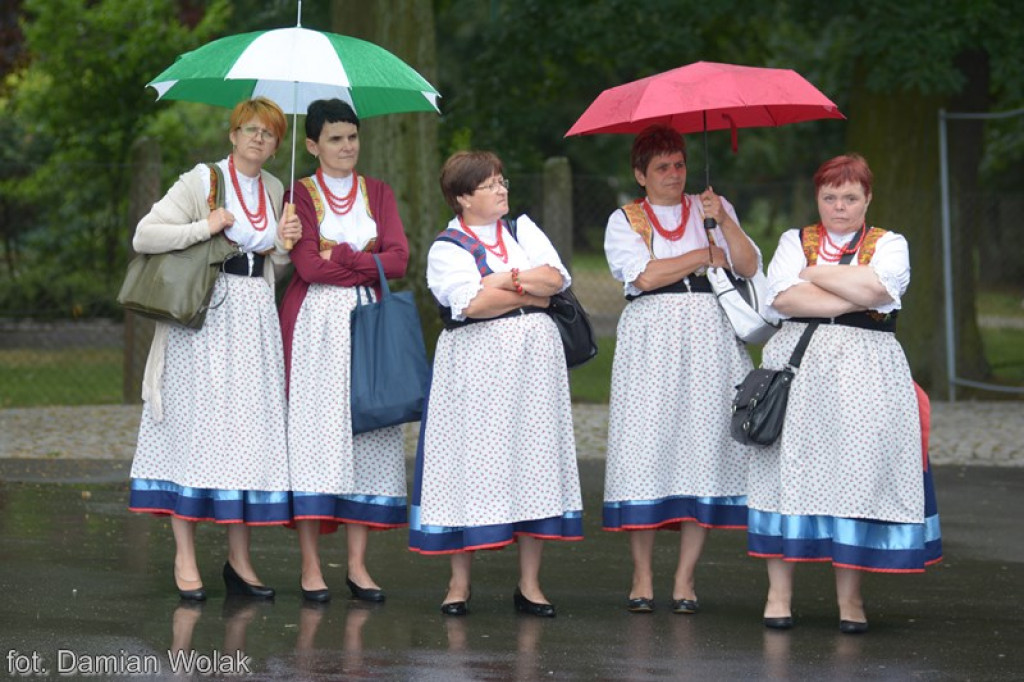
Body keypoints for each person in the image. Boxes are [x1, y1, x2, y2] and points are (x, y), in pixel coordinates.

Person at [747, 154, 943, 633]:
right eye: (829, 197)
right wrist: (852, 292)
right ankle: (779, 594)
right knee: (787, 467)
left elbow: (880, 290)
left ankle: (850, 600)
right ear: (818, 197)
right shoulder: (794, 239)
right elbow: (782, 297)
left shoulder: (890, 242)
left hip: (868, 372)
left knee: (856, 469)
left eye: (849, 197)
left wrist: (813, 275)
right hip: (799, 367)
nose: (839, 207)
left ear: (867, 198)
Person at [129, 96, 302, 601]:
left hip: (254, 319)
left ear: (276, 147)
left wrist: (285, 243)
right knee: (194, 428)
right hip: (204, 319)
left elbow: (275, 265)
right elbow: (145, 235)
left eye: (267, 134)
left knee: (244, 433)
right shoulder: (201, 180)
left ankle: (239, 560)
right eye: (248, 129)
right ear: (232, 135)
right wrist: (205, 226)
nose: (257, 139)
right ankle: (184, 556)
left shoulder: (274, 188)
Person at [408, 150, 582, 618]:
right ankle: (458, 584)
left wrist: (502, 281)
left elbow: (556, 279)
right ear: (463, 197)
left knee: (532, 458)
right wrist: (527, 291)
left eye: (502, 180)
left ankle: (530, 584)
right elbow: (471, 304)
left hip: (532, 369)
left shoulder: (523, 229)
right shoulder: (446, 247)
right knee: (468, 461)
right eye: (489, 184)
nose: (502, 188)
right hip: (475, 372)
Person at [602, 124, 759, 615]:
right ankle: (643, 575)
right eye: (662, 167)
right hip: (652, 337)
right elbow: (646, 275)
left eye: (679, 164)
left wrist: (723, 226)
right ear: (640, 174)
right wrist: (704, 255)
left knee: (703, 445)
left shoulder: (713, 208)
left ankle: (686, 578)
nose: (674, 174)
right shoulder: (625, 219)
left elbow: (749, 265)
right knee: (645, 446)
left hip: (710, 332)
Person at [278, 99, 410, 604]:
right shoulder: (300, 194)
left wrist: (349, 256)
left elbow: (398, 260)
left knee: (367, 435)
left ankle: (358, 565)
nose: (347, 146)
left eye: (352, 136)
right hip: (315, 325)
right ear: (312, 145)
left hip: (368, 324)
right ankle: (311, 566)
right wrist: (366, 263)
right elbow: (308, 267)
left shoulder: (378, 192)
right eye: (335, 138)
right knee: (315, 437)